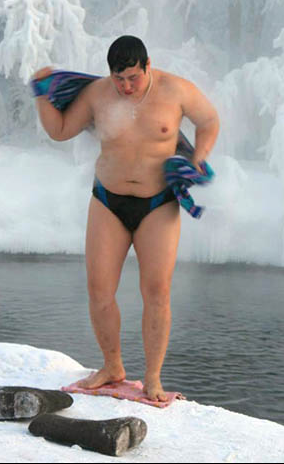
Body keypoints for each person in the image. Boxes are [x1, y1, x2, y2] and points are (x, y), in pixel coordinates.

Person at [33, 36, 219, 402]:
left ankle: (152, 379)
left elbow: (209, 119)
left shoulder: (176, 90)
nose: (126, 86)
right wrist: (41, 92)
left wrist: (199, 155)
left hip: (158, 203)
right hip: (107, 201)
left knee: (156, 292)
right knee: (99, 291)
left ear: (147, 65)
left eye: (133, 77)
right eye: (119, 79)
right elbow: (60, 131)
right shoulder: (99, 94)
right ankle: (112, 366)